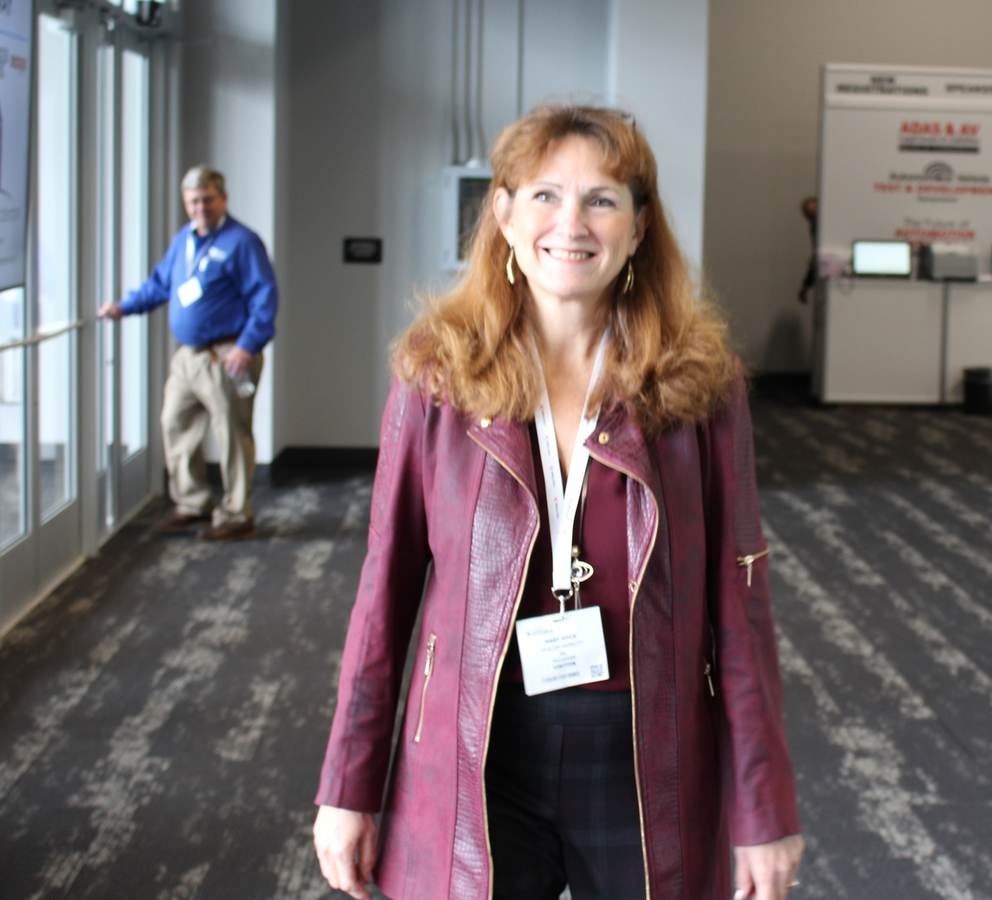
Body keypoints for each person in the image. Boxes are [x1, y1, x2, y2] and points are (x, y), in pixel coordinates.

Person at [312, 105, 803, 899]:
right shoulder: (437, 377)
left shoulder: (703, 387)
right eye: (544, 195)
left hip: (649, 757)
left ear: (640, 228)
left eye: (603, 199)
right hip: (479, 752)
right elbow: (384, 591)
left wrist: (764, 806)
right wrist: (349, 784)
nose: (570, 223)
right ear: (502, 214)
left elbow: (741, 613)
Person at [99, 165, 278, 541]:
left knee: (231, 433)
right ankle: (193, 501)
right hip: (188, 357)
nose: (200, 207)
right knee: (173, 422)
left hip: (227, 354)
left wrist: (246, 346)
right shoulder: (184, 240)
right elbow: (160, 284)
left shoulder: (242, 242)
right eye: (193, 201)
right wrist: (123, 306)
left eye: (207, 199)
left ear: (223, 199)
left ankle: (235, 515)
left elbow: (265, 299)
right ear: (186, 203)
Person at [797, 196, 818, 304]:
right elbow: (816, 255)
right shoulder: (814, 226)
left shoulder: (816, 226)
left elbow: (816, 257)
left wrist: (805, 287)